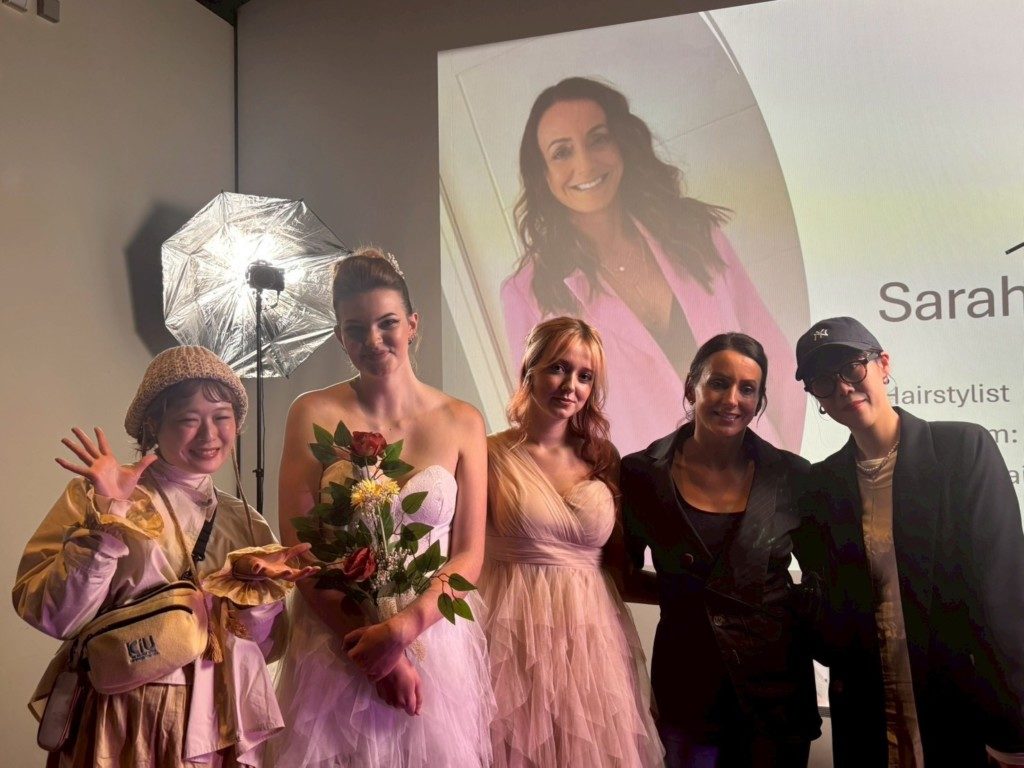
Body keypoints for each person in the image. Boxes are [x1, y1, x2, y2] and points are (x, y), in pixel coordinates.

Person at [13, 345, 314, 767]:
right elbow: (57, 617)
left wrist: (256, 597)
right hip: (120, 719)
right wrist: (108, 522)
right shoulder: (99, 496)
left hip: (214, 726)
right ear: (153, 425)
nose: (209, 436)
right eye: (189, 420)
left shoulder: (246, 522)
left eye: (222, 417)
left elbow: (266, 648)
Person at [269, 248, 495, 768]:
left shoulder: (463, 420)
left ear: (412, 324)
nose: (373, 341)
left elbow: (468, 555)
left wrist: (402, 631)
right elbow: (301, 550)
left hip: (432, 638)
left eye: (387, 323)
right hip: (337, 640)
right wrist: (378, 657)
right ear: (339, 337)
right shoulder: (312, 412)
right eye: (356, 330)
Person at [502, 75, 804, 456]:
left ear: (621, 144)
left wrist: (794, 463)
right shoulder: (528, 294)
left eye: (598, 139)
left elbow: (773, 358)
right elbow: (544, 430)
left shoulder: (694, 234)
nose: (585, 163)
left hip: (756, 467)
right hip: (640, 487)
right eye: (562, 152)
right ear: (543, 175)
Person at [794, 316, 1024, 768]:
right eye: (823, 381)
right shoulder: (820, 486)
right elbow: (831, 610)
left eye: (852, 367)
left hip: (962, 708)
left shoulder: (963, 449)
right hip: (868, 710)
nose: (843, 387)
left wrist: (1014, 727)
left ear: (883, 364)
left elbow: (1005, 596)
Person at [620, 332, 822, 767]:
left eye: (747, 389)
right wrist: (691, 596)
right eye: (718, 383)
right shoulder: (641, 474)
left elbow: (823, 579)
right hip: (687, 684)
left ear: (759, 401)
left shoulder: (792, 475)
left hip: (776, 687)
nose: (732, 399)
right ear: (691, 386)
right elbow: (623, 576)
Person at [480, 316, 663, 767]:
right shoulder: (488, 452)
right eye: (558, 368)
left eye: (585, 376)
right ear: (530, 370)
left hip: (590, 637)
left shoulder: (603, 456)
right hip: (509, 631)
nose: (570, 386)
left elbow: (618, 566)